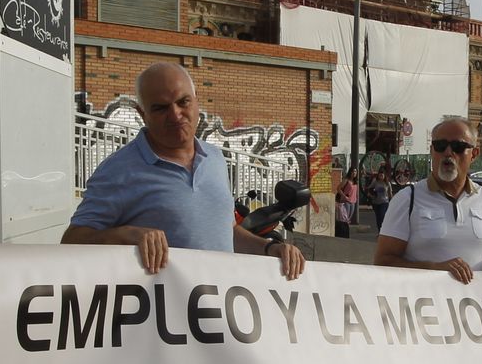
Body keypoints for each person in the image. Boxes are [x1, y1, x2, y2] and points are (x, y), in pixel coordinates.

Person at [63, 62, 304, 279]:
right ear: (142, 114)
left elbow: (226, 231)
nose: (175, 115)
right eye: (160, 108)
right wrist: (127, 235)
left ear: (196, 100)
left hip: (220, 315)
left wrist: (270, 249)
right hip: (161, 322)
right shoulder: (118, 170)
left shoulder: (215, 158)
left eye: (183, 102)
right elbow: (72, 241)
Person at [374, 118, 482, 287]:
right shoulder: (407, 199)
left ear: (474, 154)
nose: (448, 153)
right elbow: (383, 261)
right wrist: (434, 269)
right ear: (432, 150)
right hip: (424, 308)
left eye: (458, 147)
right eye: (441, 146)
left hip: (476, 308)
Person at [334, 167, 359, 238]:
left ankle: (346, 233)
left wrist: (356, 198)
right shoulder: (346, 180)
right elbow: (338, 188)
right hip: (346, 201)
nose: (354, 173)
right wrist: (344, 196)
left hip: (353, 202)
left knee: (348, 219)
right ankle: (344, 234)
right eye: (353, 171)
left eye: (355, 172)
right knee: (344, 219)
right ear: (350, 172)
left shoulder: (355, 182)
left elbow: (355, 192)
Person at [365, 167, 392, 231]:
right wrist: (370, 194)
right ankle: (380, 231)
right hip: (376, 202)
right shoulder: (375, 181)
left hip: (384, 202)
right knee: (378, 218)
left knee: (382, 216)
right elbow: (369, 188)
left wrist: (391, 201)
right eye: (380, 175)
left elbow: (390, 193)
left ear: (384, 175)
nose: (381, 176)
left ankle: (384, 231)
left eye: (382, 175)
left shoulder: (387, 183)